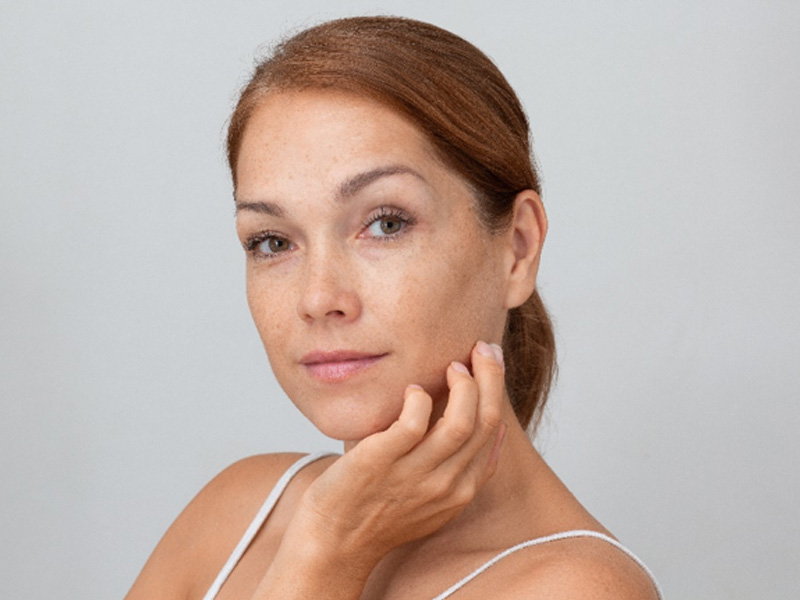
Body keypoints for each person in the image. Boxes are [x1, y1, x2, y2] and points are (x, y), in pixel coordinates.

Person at [125, 16, 661, 600]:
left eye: (385, 223)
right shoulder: (235, 517)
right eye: (273, 241)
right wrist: (323, 544)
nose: (318, 298)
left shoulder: (576, 589)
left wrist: (329, 551)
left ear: (517, 249)